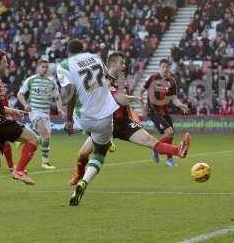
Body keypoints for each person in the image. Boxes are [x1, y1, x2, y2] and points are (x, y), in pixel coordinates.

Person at [67, 52, 191, 185]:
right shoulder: (101, 80)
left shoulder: (123, 81)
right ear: (113, 64)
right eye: (122, 63)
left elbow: (123, 103)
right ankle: (78, 174)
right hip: (105, 125)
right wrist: (134, 98)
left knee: (150, 140)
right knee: (83, 154)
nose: (125, 66)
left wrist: (133, 114)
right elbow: (115, 99)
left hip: (124, 123)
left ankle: (178, 150)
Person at [57, 39, 119, 206]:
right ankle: (84, 182)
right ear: (83, 49)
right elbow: (109, 77)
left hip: (84, 118)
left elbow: (69, 92)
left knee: (90, 130)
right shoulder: (95, 57)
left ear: (68, 52)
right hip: (105, 116)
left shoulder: (64, 65)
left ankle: (100, 138)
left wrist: (68, 119)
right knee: (99, 153)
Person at [0, 50, 39, 185]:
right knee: (34, 139)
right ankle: (19, 171)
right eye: (5, 62)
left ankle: (17, 171)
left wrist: (14, 111)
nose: (8, 65)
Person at [139, 59, 189, 167]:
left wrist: (181, 105)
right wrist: (141, 104)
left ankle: (166, 157)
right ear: (159, 67)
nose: (165, 69)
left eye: (167, 67)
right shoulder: (152, 78)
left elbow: (174, 99)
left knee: (170, 135)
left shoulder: (172, 82)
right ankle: (157, 149)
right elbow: (141, 90)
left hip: (164, 112)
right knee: (169, 132)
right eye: (163, 67)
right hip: (153, 111)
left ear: (169, 68)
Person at [17, 56, 64, 169]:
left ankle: (25, 139)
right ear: (38, 67)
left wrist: (60, 109)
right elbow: (20, 94)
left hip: (45, 113)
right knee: (46, 136)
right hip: (34, 111)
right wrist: (25, 105)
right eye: (42, 67)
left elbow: (57, 98)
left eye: (46, 67)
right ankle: (45, 162)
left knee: (46, 138)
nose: (44, 69)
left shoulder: (51, 82)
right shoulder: (31, 80)